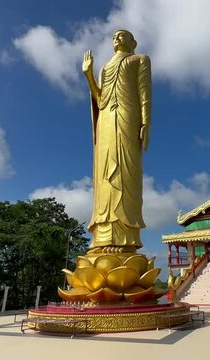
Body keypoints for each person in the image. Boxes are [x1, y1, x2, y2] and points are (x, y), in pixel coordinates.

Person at [82, 29, 151, 253]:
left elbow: (144, 92)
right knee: (104, 176)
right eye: (114, 36)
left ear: (133, 42)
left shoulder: (140, 59)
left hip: (127, 117)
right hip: (106, 119)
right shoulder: (104, 68)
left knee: (125, 171)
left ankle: (126, 240)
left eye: (123, 35)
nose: (117, 38)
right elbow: (100, 100)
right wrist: (89, 75)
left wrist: (146, 122)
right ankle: (102, 239)